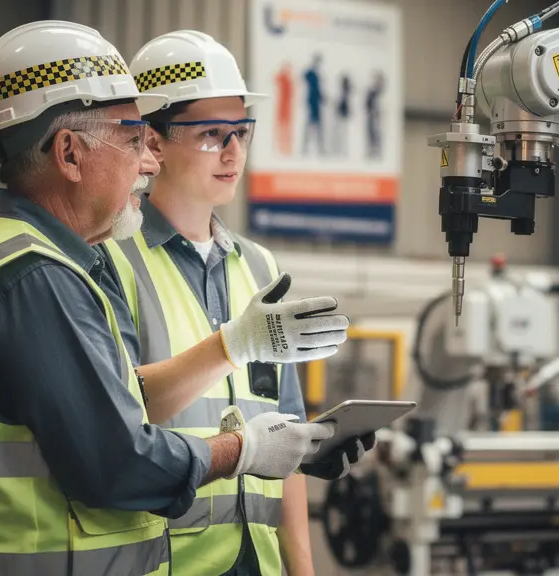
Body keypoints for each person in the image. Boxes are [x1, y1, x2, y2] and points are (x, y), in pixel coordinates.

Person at [0, 21, 348, 576]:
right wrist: (244, 449)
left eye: (242, 131)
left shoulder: (29, 261)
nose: (148, 162)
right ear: (70, 154)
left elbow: (109, 414)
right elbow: (120, 461)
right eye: (134, 139)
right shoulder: (35, 278)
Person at [112, 31, 377, 575]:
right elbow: (114, 418)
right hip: (167, 562)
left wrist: (301, 569)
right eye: (212, 134)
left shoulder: (259, 267)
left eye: (242, 131)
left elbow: (287, 431)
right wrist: (233, 345)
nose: (233, 151)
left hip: (256, 561)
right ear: (153, 144)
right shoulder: (112, 259)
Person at [302, 53, 325, 156]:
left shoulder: (316, 74)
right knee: (310, 125)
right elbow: (305, 76)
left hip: (316, 103)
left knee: (317, 126)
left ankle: (319, 148)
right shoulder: (311, 73)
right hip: (312, 102)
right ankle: (305, 147)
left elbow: (318, 90)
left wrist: (322, 98)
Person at [274, 62, 294, 156]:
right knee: (282, 128)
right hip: (282, 108)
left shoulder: (289, 80)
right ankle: (281, 147)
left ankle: (286, 148)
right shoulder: (283, 78)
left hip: (287, 108)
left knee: (286, 129)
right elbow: (275, 78)